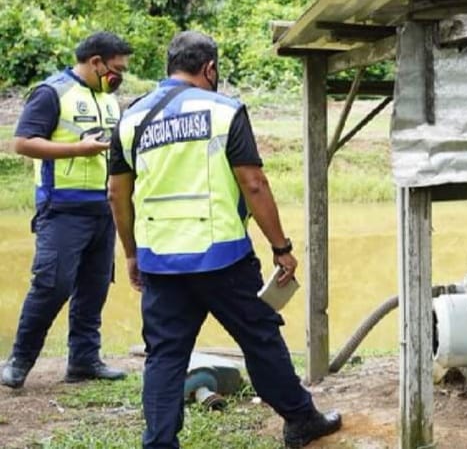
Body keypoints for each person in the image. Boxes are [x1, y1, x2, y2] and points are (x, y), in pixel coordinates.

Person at [108, 31, 341, 449]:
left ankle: (159, 444)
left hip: (160, 259)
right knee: (259, 337)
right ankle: (301, 419)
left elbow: (116, 193)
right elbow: (253, 183)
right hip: (224, 260)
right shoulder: (224, 111)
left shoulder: (130, 118)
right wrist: (281, 248)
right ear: (210, 69)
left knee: (164, 356)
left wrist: (130, 253)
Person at [2, 32, 133, 389]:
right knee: (52, 284)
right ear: (96, 62)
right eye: (116, 68)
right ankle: (19, 360)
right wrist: (78, 150)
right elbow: (22, 143)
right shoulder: (51, 92)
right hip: (62, 208)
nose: (119, 76)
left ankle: (84, 361)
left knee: (94, 288)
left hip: (102, 208)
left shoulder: (109, 99)